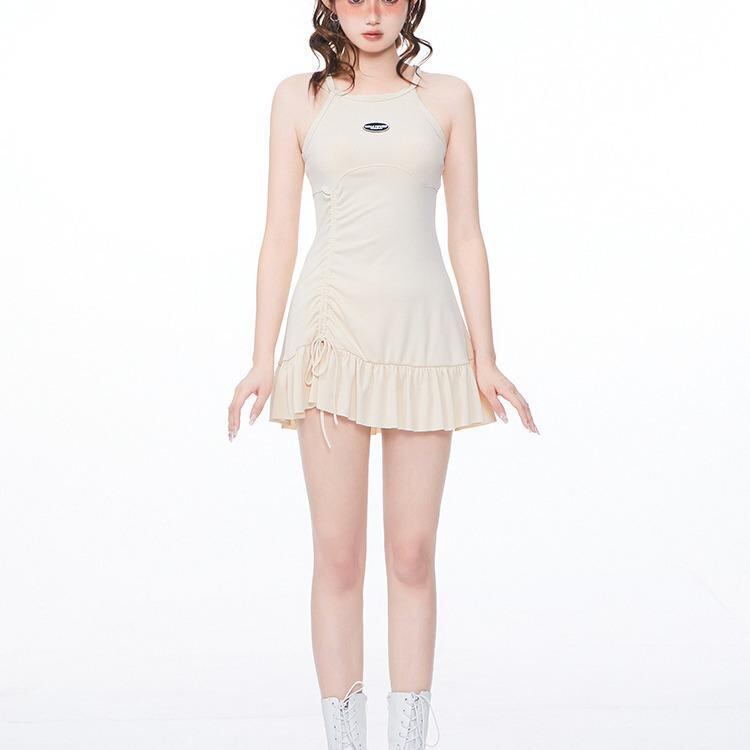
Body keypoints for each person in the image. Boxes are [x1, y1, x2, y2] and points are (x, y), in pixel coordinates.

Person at [228, 2, 539, 748]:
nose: (372, 12)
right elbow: (279, 234)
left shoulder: (449, 98)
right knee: (339, 558)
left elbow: (466, 231)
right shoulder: (298, 98)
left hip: (425, 341)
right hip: (329, 339)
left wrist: (485, 354)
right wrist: (262, 356)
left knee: (412, 554)